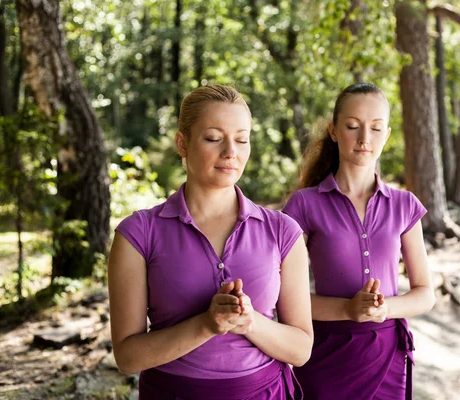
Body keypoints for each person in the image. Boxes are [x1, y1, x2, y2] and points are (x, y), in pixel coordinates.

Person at [108, 85, 313, 400]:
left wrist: (250, 322)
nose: (231, 151)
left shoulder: (283, 232)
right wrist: (207, 324)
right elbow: (128, 357)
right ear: (182, 143)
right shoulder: (138, 234)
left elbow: (301, 350)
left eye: (242, 139)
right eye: (214, 138)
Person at [283, 83, 435, 400]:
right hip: (324, 355)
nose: (365, 139)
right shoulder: (304, 205)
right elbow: (282, 297)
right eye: (353, 126)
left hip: (387, 356)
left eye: (376, 128)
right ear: (334, 131)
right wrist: (349, 309)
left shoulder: (405, 205)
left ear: (387, 135)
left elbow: (424, 295)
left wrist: (384, 309)